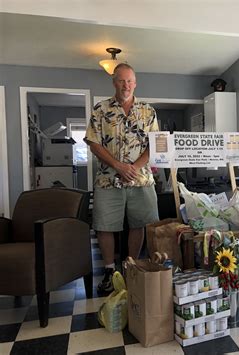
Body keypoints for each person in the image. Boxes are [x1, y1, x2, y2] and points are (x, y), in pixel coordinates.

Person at [84, 63, 159, 293]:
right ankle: (109, 270)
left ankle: (130, 266)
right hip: (108, 179)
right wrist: (118, 166)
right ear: (114, 82)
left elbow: (156, 145)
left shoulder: (148, 111)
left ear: (135, 83)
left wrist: (133, 168)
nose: (125, 85)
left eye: (129, 81)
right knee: (105, 225)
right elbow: (93, 142)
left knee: (139, 223)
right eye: (121, 80)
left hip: (141, 179)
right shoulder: (101, 109)